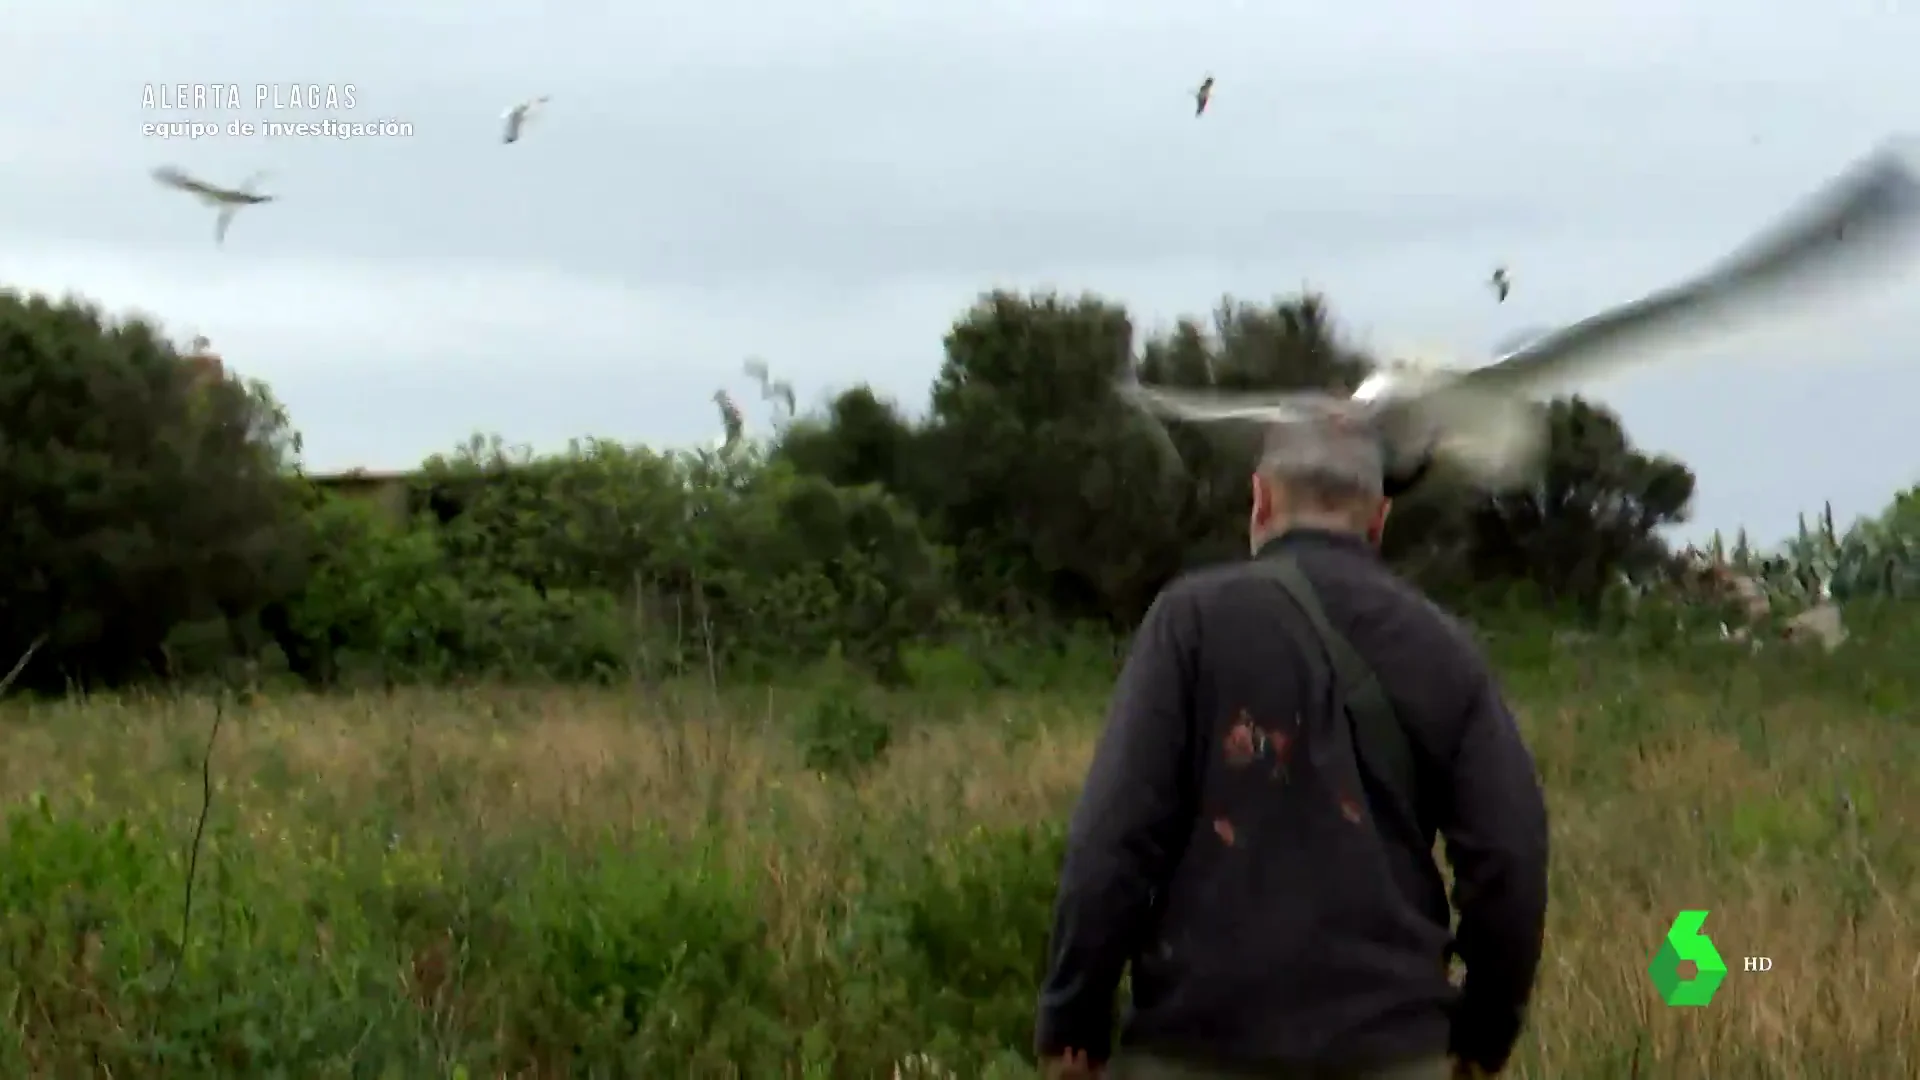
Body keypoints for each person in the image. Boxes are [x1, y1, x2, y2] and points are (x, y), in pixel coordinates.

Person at [1034, 413, 1550, 1079]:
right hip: (1390, 1049)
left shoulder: (1187, 623)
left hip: (1194, 1048)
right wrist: (1483, 1035)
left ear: (1262, 500)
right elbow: (1511, 857)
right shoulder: (1445, 647)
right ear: (1378, 520)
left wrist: (1073, 1021)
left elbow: (1112, 841)